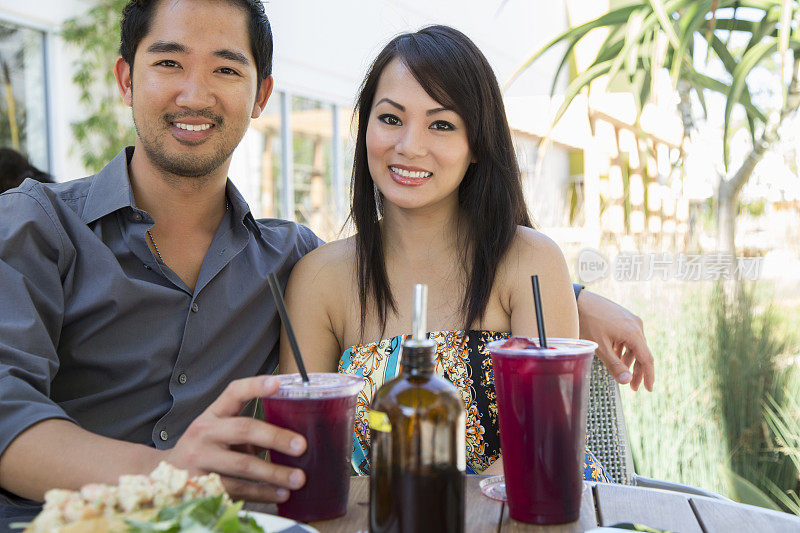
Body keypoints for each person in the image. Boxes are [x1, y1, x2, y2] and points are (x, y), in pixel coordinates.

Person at [279, 25, 653, 480]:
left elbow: (544, 447)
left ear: (476, 144)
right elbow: (303, 456)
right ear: (365, 130)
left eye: (442, 124)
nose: (410, 146)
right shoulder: (319, 278)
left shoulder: (529, 262)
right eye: (391, 119)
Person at [0, 0, 319, 526]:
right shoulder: (35, 224)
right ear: (126, 79)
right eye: (169, 63)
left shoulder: (294, 261)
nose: (195, 96)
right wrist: (167, 474)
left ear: (261, 94)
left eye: (226, 68)